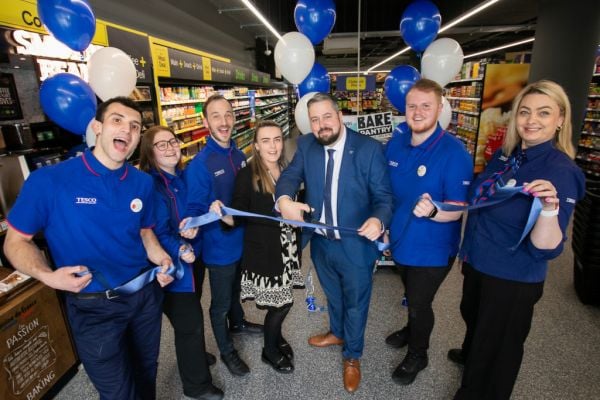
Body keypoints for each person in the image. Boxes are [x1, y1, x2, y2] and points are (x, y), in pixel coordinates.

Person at [3, 97, 174, 400]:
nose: (127, 129)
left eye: (135, 126)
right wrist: (48, 276)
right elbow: (15, 242)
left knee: (147, 371)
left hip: (144, 298)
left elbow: (145, 233)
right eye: (117, 120)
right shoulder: (50, 181)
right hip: (93, 308)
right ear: (97, 127)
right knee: (118, 392)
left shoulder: (142, 183)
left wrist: (161, 258)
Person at [450, 80, 586, 400]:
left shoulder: (560, 171)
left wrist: (550, 210)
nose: (531, 120)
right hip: (479, 260)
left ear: (561, 119)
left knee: (498, 348)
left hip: (512, 276)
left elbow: (547, 248)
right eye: (524, 112)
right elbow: (481, 200)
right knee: (476, 322)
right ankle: (472, 357)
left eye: (543, 112)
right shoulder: (506, 155)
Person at [275, 92, 393, 392]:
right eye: (314, 120)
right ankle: (337, 333)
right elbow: (289, 176)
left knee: (355, 303)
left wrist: (378, 220)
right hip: (321, 243)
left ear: (339, 116)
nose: (321, 125)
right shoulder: (306, 145)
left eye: (327, 116)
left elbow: (383, 198)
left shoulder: (368, 149)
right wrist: (284, 199)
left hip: (356, 246)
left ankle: (352, 356)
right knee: (335, 297)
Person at [384, 79, 473, 385]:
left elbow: (460, 207)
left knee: (420, 303)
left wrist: (435, 211)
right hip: (400, 241)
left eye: (426, 106)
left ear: (439, 108)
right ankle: (411, 329)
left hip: (432, 249)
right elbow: (387, 192)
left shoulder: (455, 153)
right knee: (411, 295)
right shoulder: (396, 142)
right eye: (412, 106)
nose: (418, 112)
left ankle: (418, 354)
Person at [210, 120, 303, 374]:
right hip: (265, 253)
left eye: (276, 139)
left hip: (286, 248)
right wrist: (220, 213)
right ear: (256, 146)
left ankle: (275, 338)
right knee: (281, 304)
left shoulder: (287, 170)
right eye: (265, 140)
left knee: (284, 300)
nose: (272, 146)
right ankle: (269, 350)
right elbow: (236, 215)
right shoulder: (247, 175)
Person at [138, 126, 223, 400]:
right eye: (160, 145)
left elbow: (196, 210)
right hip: (172, 266)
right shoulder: (152, 185)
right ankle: (196, 385)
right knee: (190, 323)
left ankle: (193, 355)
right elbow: (156, 231)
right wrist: (180, 247)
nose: (169, 148)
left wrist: (213, 209)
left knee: (191, 315)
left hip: (194, 260)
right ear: (149, 153)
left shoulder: (185, 176)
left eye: (172, 142)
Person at [185, 94, 262, 377]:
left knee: (236, 291)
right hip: (218, 250)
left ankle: (239, 322)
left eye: (228, 114)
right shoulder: (200, 164)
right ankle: (227, 351)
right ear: (205, 122)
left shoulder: (239, 155)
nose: (224, 121)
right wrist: (203, 213)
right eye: (216, 116)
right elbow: (193, 210)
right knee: (219, 304)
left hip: (242, 242)